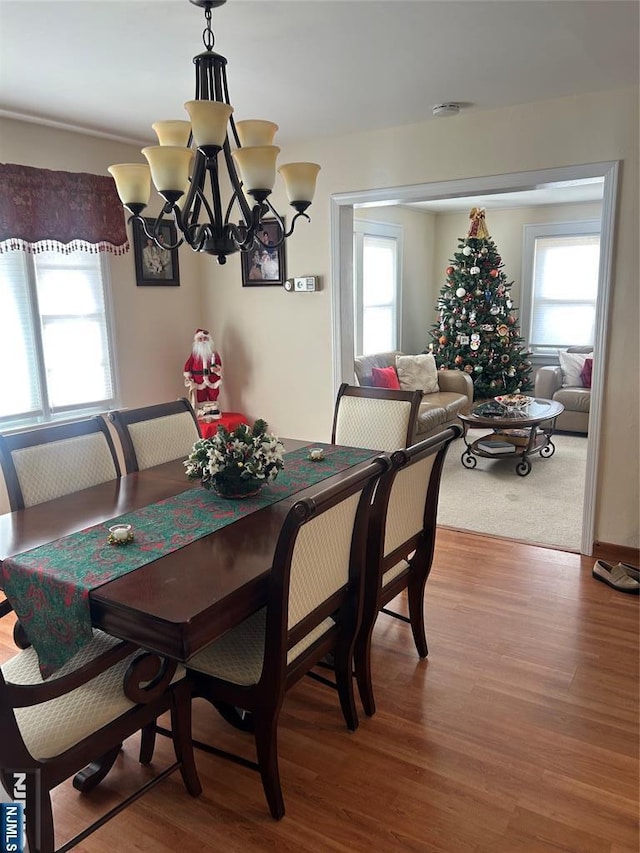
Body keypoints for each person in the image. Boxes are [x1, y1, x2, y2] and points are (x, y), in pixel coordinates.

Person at [183, 328, 222, 418]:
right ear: (196, 341)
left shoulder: (214, 354)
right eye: (200, 339)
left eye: (205, 339)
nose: (203, 341)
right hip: (199, 380)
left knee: (213, 393)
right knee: (201, 395)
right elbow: (188, 364)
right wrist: (187, 375)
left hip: (212, 379)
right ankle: (203, 411)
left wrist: (217, 369)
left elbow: (219, 364)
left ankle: (214, 410)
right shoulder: (194, 355)